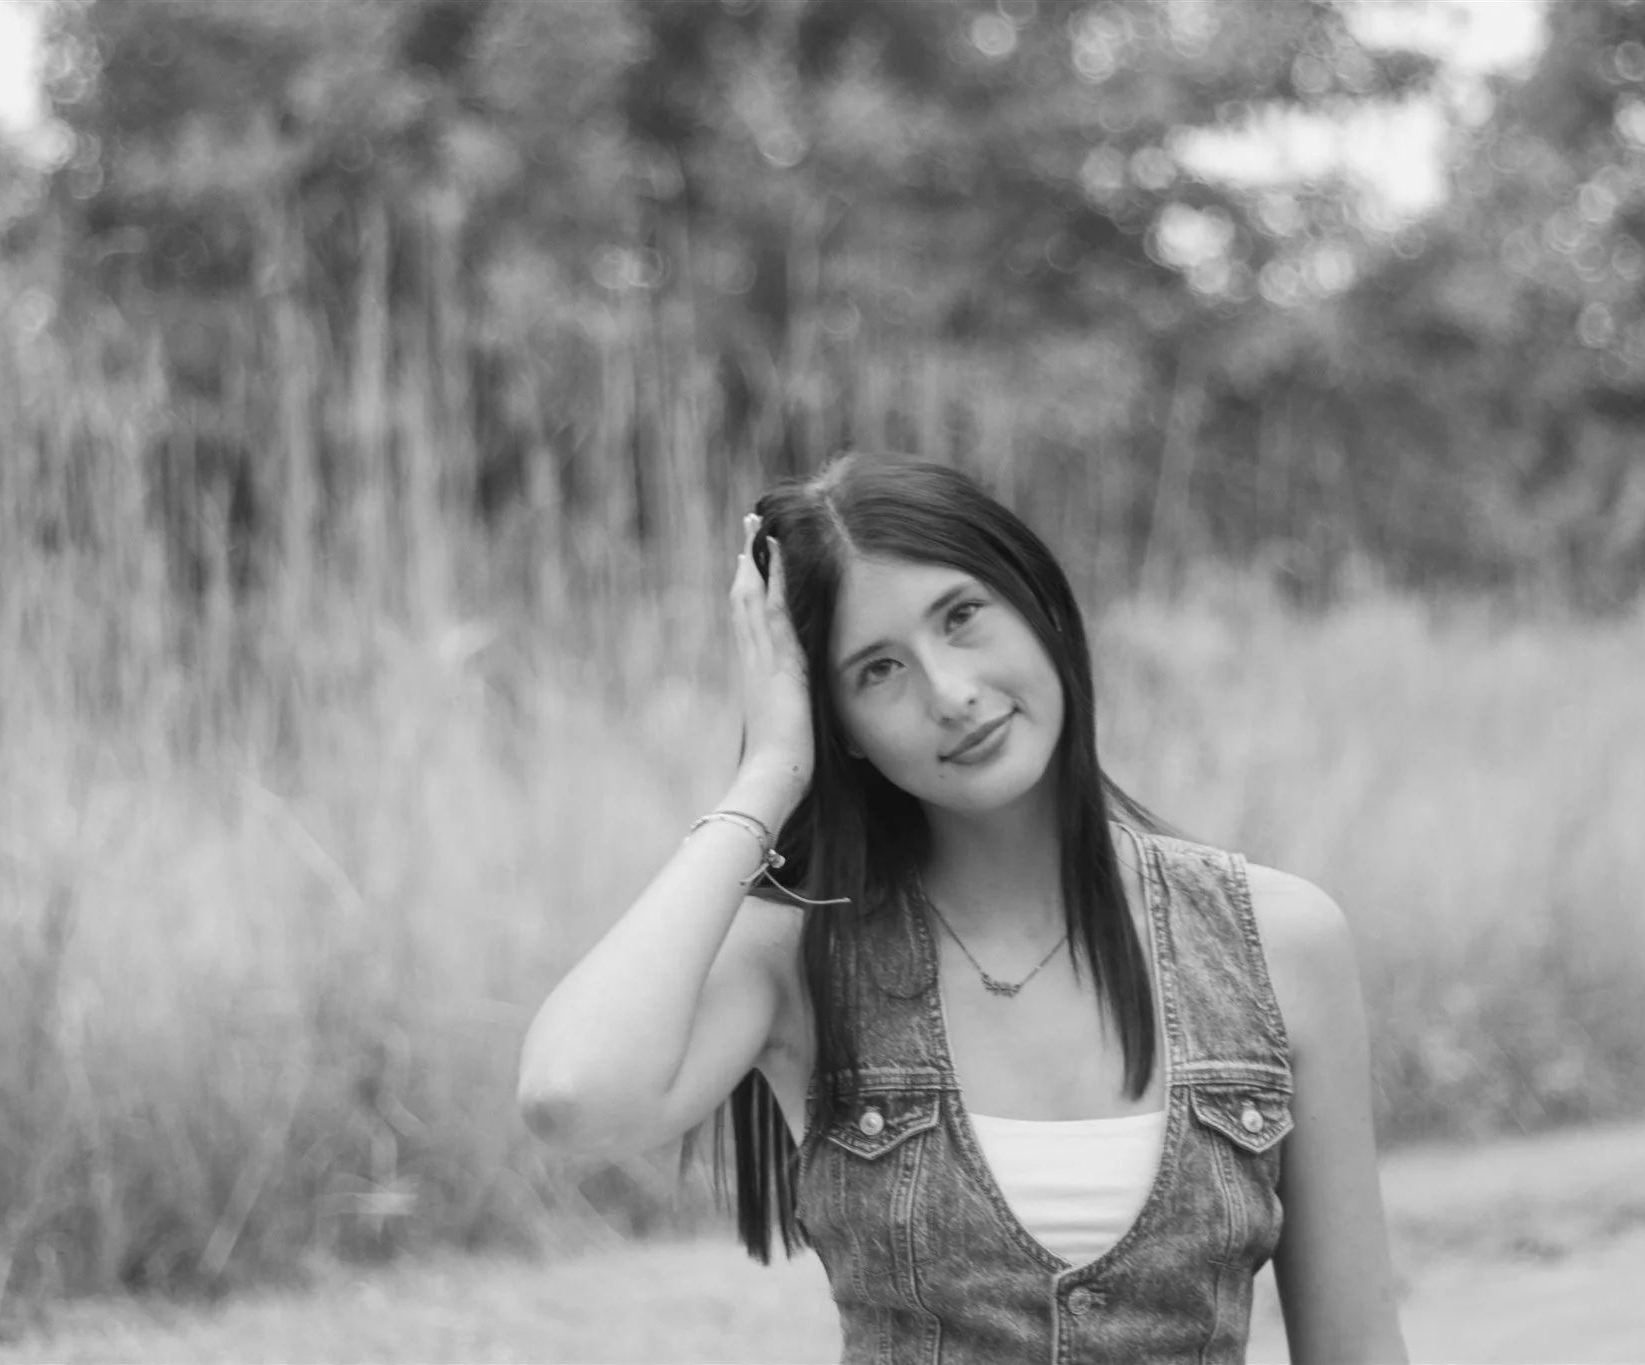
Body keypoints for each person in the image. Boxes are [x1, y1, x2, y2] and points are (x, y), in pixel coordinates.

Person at [518, 454, 1408, 1364]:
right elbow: (573, 1097)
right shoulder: (804, 955)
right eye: (878, 671)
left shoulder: (1278, 941)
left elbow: (1359, 1351)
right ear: (843, 729)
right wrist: (772, 770)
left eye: (962, 615)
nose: (949, 693)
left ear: (1039, 603)